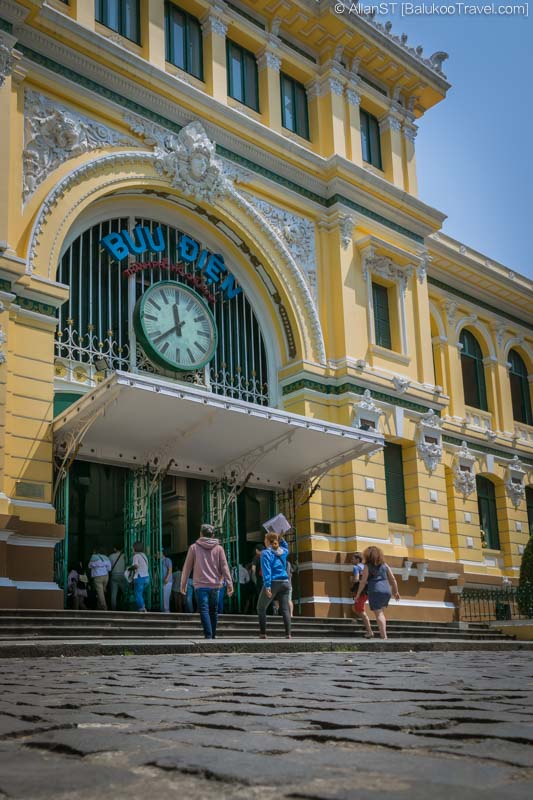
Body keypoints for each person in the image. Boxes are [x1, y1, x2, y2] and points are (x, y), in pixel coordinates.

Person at [180, 524, 233, 639]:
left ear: (201, 533)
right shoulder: (219, 548)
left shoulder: (194, 547)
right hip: (215, 585)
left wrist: (183, 584)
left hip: (200, 585)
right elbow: (225, 567)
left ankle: (208, 635)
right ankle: (212, 635)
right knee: (213, 610)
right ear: (213, 535)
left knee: (204, 609)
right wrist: (229, 584)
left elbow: (187, 567)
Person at [354, 546, 400, 640]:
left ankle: (384, 636)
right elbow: (393, 579)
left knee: (379, 614)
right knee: (381, 613)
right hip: (386, 590)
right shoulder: (385, 565)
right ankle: (384, 635)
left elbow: (363, 582)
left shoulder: (367, 566)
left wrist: (358, 594)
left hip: (375, 590)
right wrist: (396, 591)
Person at [257, 532, 291, 639]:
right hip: (285, 582)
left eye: (265, 539)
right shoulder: (283, 551)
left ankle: (263, 633)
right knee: (285, 609)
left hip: (273, 582)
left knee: (261, 607)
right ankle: (288, 634)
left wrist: (267, 586)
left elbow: (266, 570)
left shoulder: (265, 553)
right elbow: (285, 546)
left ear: (267, 541)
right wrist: (281, 538)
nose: (264, 541)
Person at [350, 551, 373, 639]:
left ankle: (369, 631)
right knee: (354, 608)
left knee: (361, 611)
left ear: (357, 559)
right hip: (367, 591)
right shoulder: (365, 567)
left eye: (353, 559)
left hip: (360, 592)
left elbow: (356, 579)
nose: (352, 560)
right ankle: (365, 623)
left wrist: (352, 579)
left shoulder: (356, 567)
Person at [131, 540, 150, 612]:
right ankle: (143, 606)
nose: (132, 548)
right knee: (140, 593)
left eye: (133, 547)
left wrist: (129, 568)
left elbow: (136, 566)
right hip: (146, 578)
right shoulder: (144, 555)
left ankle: (142, 609)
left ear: (135, 548)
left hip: (140, 577)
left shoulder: (136, 556)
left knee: (138, 594)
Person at [108, 546, 126, 611]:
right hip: (123, 575)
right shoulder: (125, 556)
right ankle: (126, 606)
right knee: (125, 592)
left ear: (115, 549)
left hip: (114, 575)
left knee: (113, 594)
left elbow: (109, 567)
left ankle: (113, 609)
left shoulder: (111, 556)